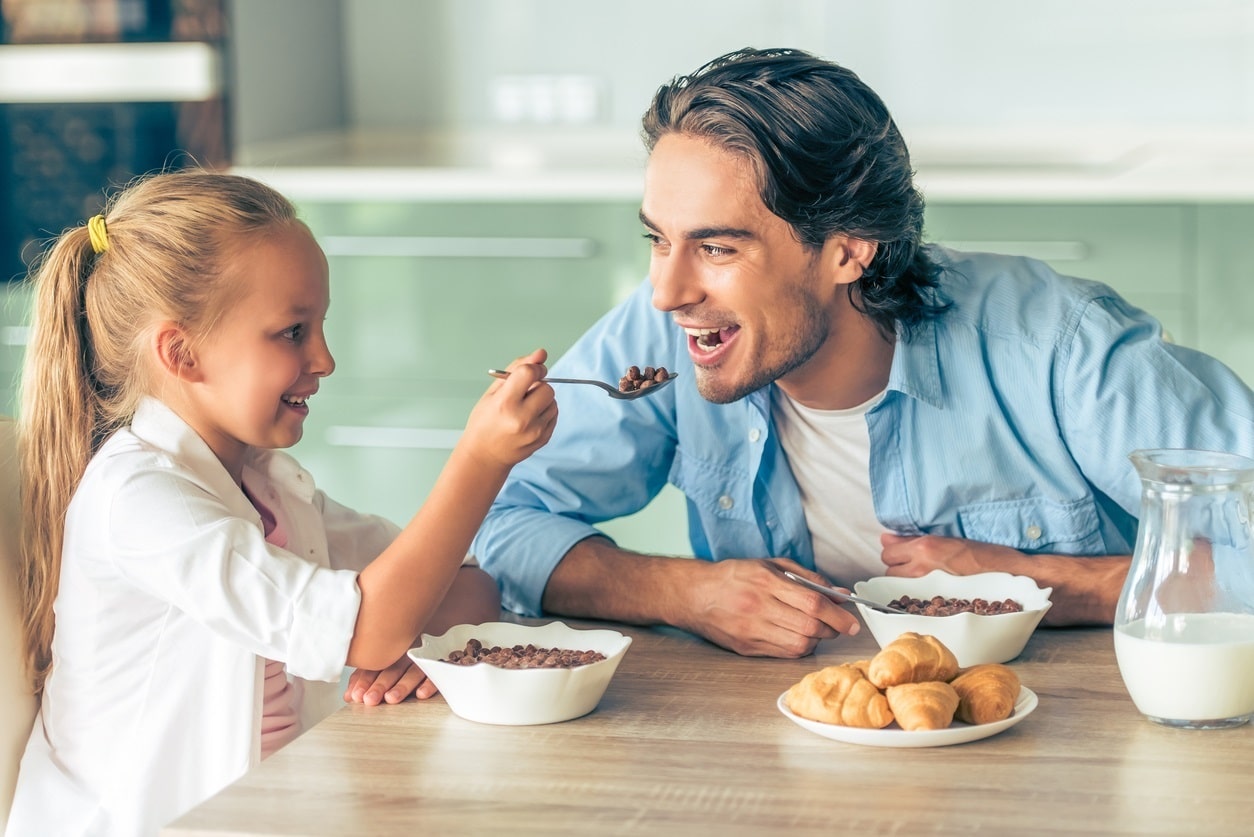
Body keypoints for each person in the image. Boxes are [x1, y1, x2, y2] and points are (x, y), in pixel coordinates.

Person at [471, 47, 1254, 659]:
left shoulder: (1060, 345)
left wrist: (1046, 583)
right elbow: (501, 526)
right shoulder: (667, 329)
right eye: (657, 238)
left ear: (849, 251)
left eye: (716, 246)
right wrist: (681, 591)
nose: (669, 288)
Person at [7, 171, 557, 835]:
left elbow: (466, 586)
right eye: (293, 331)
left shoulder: (267, 486)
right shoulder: (141, 501)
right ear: (181, 353)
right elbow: (372, 625)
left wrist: (417, 652)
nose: (324, 358)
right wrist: (482, 460)